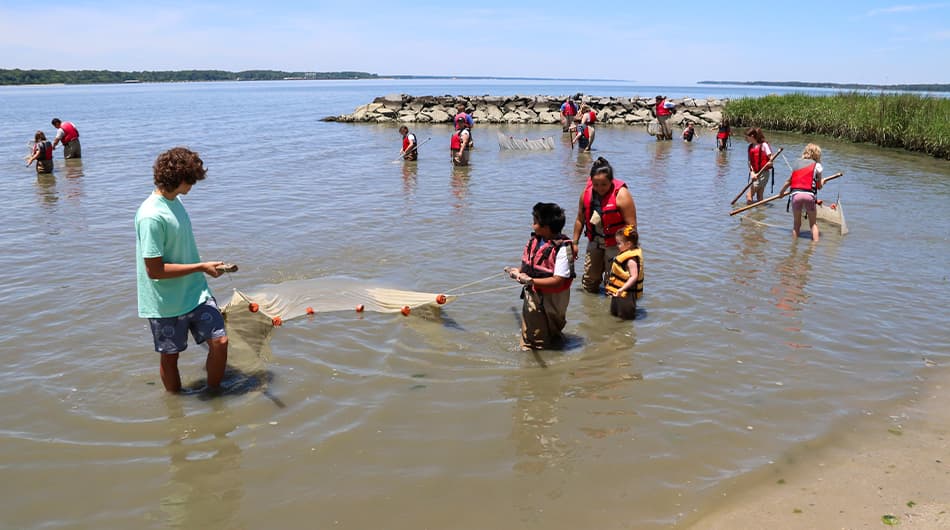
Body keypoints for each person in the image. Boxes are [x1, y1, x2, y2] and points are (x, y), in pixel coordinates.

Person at [135, 147, 229, 393]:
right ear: (179, 178)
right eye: (192, 180)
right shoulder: (151, 216)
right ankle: (176, 410)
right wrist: (201, 266)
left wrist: (202, 270)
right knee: (170, 357)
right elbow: (154, 270)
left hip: (196, 292)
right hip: (165, 303)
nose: (193, 186)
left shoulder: (175, 201)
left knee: (220, 342)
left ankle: (214, 396)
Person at [505, 202, 575, 350]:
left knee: (543, 333)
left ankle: (535, 358)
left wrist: (531, 281)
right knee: (533, 329)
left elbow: (558, 281)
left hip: (552, 297)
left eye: (535, 222)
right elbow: (529, 267)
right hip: (534, 292)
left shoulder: (562, 249)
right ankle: (532, 348)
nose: (532, 225)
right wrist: (517, 272)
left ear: (546, 227)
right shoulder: (535, 241)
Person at [572, 157, 638, 293]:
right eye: (596, 184)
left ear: (611, 181)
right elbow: (580, 219)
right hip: (595, 241)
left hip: (616, 244)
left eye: (604, 184)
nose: (599, 188)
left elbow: (631, 226)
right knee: (589, 282)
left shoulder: (622, 195)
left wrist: (628, 251)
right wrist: (575, 243)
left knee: (614, 283)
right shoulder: (586, 194)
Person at [779, 143, 826, 242]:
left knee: (796, 224)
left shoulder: (796, 163)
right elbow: (819, 187)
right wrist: (822, 182)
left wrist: (781, 193)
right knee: (813, 224)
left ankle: (794, 246)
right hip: (809, 196)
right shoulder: (817, 166)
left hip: (796, 195)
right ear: (817, 155)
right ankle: (814, 247)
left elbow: (789, 181)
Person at [605, 225, 643, 320]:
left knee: (626, 318)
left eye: (619, 243)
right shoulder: (625, 254)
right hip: (618, 291)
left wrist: (622, 289)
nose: (617, 246)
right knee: (614, 313)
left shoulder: (631, 260)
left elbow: (634, 277)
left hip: (627, 293)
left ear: (628, 244)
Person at [745, 127, 774, 203]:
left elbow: (771, 157)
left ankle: (749, 214)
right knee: (759, 196)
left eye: (746, 137)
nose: (745, 139)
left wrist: (770, 162)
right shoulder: (750, 147)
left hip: (763, 173)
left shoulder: (764, 145)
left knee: (748, 195)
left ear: (751, 136)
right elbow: (749, 162)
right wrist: (752, 172)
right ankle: (759, 213)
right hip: (755, 174)